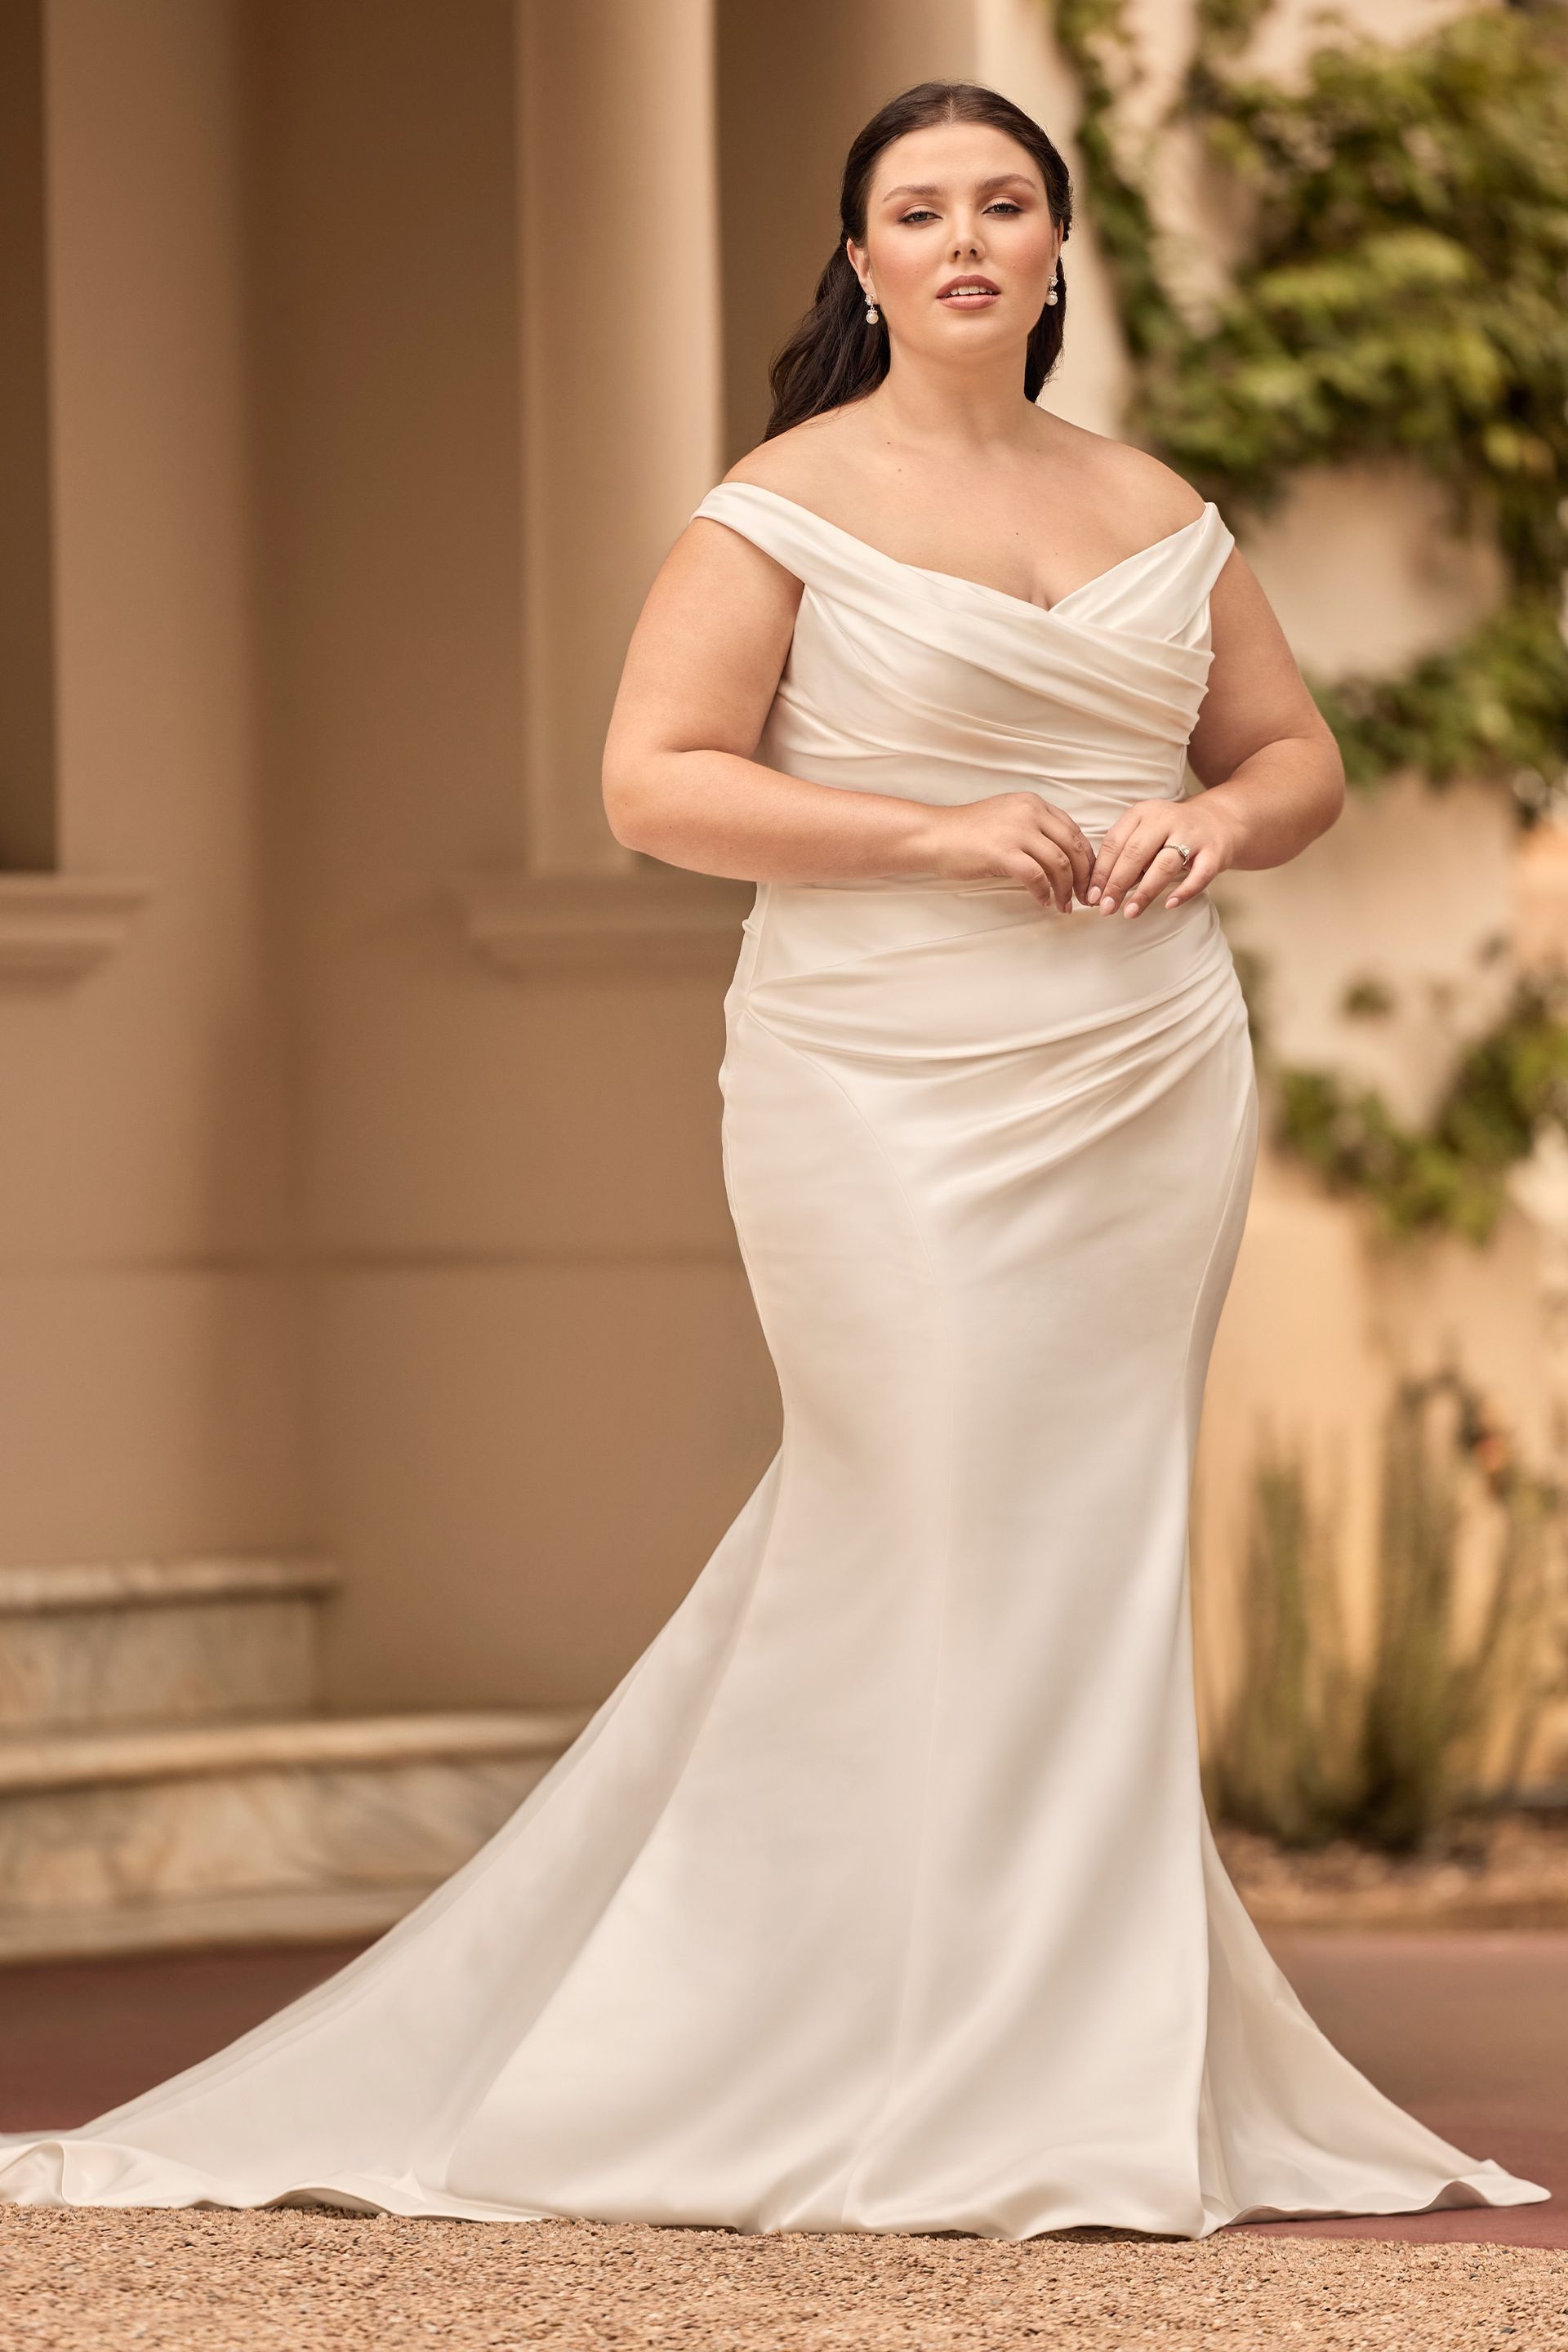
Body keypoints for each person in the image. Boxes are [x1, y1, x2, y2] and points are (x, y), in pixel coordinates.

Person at [0, 78, 1546, 2240]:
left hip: (1139, 1074)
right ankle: (816, 2037)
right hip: (883, 1080)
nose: (966, 238)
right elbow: (655, 786)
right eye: (919, 209)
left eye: (1007, 201)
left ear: (1060, 247)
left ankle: (1062, 2052)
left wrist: (1222, 816)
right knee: (916, 1517)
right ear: (859, 261)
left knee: (1080, 1554)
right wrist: (926, 833)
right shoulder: (776, 506)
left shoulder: (1159, 504)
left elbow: (1297, 753)